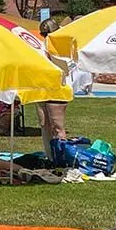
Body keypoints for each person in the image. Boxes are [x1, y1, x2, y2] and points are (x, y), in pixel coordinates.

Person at [35, 18, 70, 159]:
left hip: (57, 88)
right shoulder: (43, 45)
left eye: (45, 33)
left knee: (57, 126)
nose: (44, 36)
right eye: (42, 34)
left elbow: (62, 68)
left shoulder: (59, 47)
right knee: (44, 124)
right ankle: (50, 156)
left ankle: (61, 158)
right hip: (43, 87)